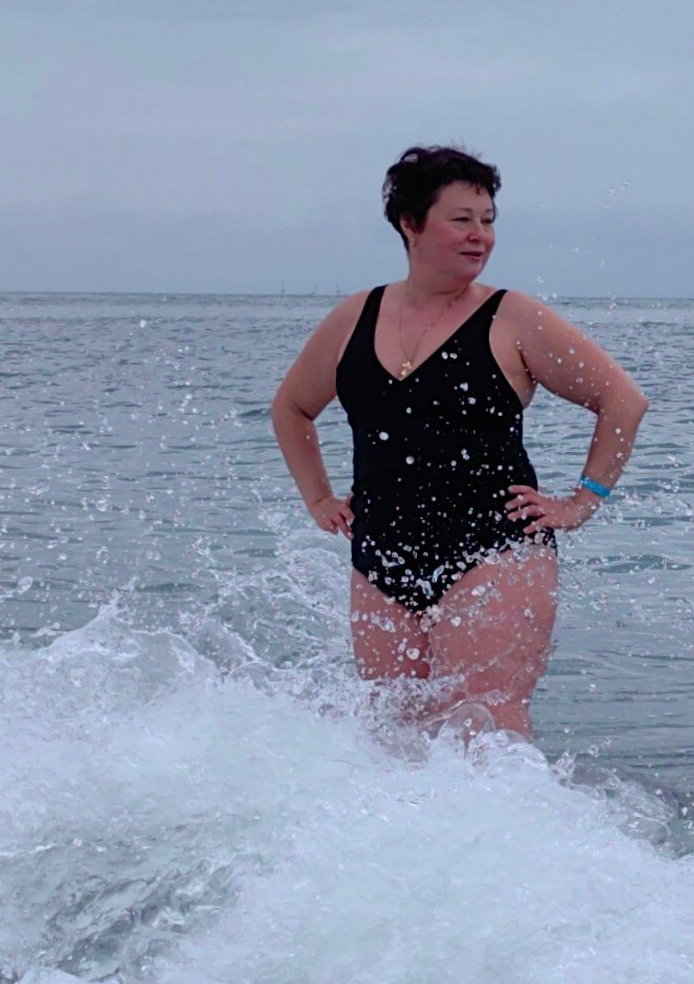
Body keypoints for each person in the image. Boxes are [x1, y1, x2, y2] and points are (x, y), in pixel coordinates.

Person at [270, 145, 647, 739]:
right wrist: (318, 498)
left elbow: (623, 400)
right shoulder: (356, 316)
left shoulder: (512, 317)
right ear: (411, 224)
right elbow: (291, 409)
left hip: (496, 551)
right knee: (393, 735)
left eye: (488, 221)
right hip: (381, 557)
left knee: (486, 727)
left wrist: (582, 501)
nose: (480, 236)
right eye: (462, 220)